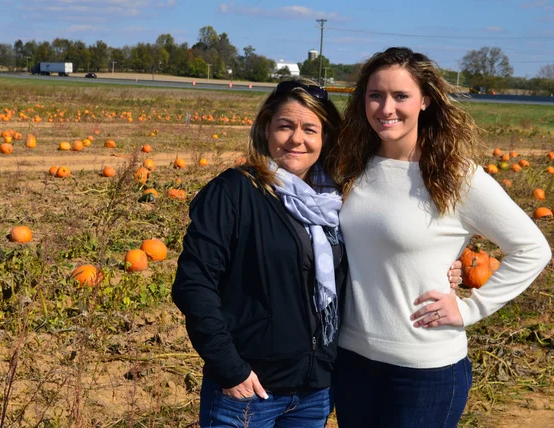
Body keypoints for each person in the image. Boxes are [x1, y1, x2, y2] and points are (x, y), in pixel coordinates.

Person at [172, 78, 462, 428]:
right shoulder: (234, 192)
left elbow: (376, 256)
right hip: (249, 391)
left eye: (310, 128)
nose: (297, 139)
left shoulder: (336, 201)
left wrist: (438, 268)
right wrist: (229, 369)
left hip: (315, 393)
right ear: (266, 129)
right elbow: (194, 284)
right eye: (285, 126)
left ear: (325, 138)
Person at [330, 47, 552, 428]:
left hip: (424, 371)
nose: (386, 108)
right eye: (375, 95)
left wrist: (470, 309)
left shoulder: (456, 176)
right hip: (352, 362)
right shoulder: (350, 166)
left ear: (425, 101)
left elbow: (533, 249)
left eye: (401, 96)